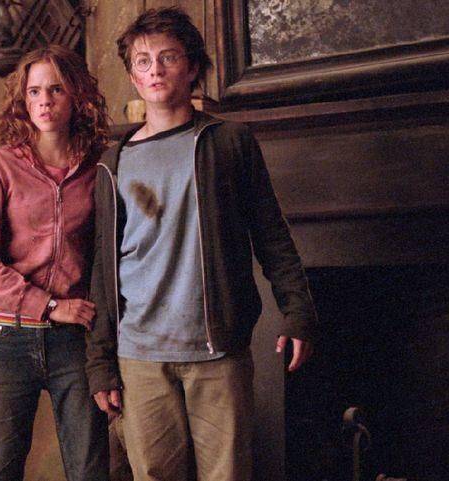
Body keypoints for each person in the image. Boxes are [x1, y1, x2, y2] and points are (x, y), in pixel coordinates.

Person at [85, 7, 319, 481]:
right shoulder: (114, 162)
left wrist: (299, 312)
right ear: (132, 76)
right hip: (140, 355)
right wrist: (100, 361)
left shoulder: (229, 142)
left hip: (218, 351)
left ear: (192, 67)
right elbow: (104, 269)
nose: (155, 70)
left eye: (168, 57)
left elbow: (272, 236)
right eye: (143, 61)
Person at [0, 44, 112, 481]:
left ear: (77, 96)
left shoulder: (100, 168)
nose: (45, 101)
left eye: (56, 89)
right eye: (34, 91)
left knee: (90, 469)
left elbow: (109, 256)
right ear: (23, 100)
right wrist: (47, 305)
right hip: (8, 336)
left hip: (76, 341)